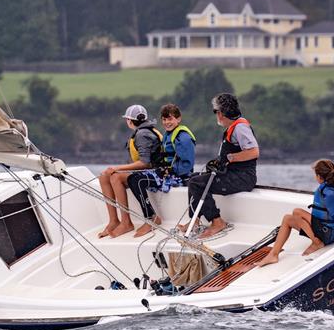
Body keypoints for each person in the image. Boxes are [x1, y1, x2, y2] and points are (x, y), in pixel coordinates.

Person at [181, 93, 259, 238]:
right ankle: (195, 220)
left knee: (197, 183)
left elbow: (254, 152)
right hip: (232, 174)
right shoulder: (233, 127)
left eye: (215, 112)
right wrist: (219, 162)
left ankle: (217, 221)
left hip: (242, 178)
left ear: (221, 113)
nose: (216, 115)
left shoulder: (240, 128)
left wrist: (229, 158)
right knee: (193, 178)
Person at [255, 159, 334, 267]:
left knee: (287, 219)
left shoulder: (328, 193)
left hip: (327, 233)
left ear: (319, 176)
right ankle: (316, 239)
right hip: (327, 228)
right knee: (297, 212)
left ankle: (274, 254)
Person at [127, 103, 196, 237]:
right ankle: (150, 216)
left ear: (178, 119)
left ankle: (151, 218)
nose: (166, 122)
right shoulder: (168, 134)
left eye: (170, 119)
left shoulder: (183, 137)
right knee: (133, 178)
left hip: (179, 176)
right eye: (164, 119)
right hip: (166, 172)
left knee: (138, 181)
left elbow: (187, 164)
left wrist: (169, 171)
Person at [98, 104, 163, 238]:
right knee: (104, 177)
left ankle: (126, 222)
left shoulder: (142, 134)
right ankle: (114, 221)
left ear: (129, 121)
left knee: (115, 176)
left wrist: (117, 168)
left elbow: (145, 163)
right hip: (149, 171)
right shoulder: (143, 131)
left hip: (157, 173)